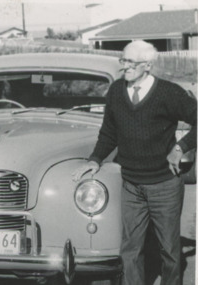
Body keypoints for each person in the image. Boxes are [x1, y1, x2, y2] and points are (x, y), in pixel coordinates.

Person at [72, 40, 197, 285]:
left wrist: (180, 147)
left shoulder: (168, 93)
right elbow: (109, 132)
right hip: (131, 186)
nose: (125, 67)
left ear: (148, 65)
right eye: (123, 61)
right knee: (130, 251)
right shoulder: (117, 91)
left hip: (165, 186)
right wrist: (95, 159)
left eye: (131, 62)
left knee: (169, 251)